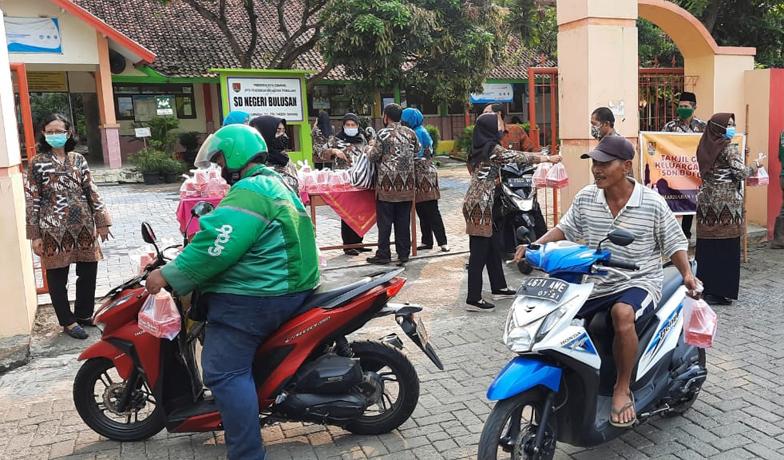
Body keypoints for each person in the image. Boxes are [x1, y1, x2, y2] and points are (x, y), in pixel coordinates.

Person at [145, 124, 319, 460]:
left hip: (261, 294)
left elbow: (217, 247)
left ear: (237, 155)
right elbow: (227, 234)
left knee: (223, 371)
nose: (220, 168)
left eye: (221, 160)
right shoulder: (272, 182)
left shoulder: (250, 190)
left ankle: (246, 453)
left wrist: (167, 274)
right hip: (285, 286)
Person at [515, 135, 699, 428]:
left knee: (622, 314)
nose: (597, 169)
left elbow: (675, 242)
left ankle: (621, 388)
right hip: (596, 282)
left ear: (626, 166)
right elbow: (565, 228)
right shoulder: (587, 197)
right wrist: (535, 246)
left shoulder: (652, 202)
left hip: (639, 280)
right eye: (595, 164)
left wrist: (687, 274)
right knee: (556, 316)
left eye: (604, 163)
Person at [25, 114, 112, 340]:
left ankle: (84, 314)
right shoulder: (37, 163)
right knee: (57, 276)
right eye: (50, 131)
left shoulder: (78, 159)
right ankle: (67, 321)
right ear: (43, 134)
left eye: (59, 131)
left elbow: (91, 190)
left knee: (88, 270)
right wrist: (35, 235)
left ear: (68, 133)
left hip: (82, 224)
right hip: (52, 228)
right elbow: (32, 198)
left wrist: (102, 221)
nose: (55, 135)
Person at [463, 113, 561, 311]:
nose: (502, 127)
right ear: (490, 128)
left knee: (493, 247)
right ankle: (473, 299)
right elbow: (518, 156)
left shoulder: (482, 147)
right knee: (479, 253)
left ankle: (499, 287)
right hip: (480, 206)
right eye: (498, 123)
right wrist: (548, 158)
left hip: (487, 203)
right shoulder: (492, 149)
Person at [695, 113, 762, 305]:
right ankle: (720, 292)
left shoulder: (703, 146)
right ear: (719, 127)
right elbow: (741, 173)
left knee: (707, 247)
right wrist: (756, 165)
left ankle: (705, 289)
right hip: (727, 206)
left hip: (706, 204)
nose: (732, 128)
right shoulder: (728, 148)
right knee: (726, 247)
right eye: (729, 125)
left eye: (733, 124)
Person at [365, 104, 419, 266]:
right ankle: (403, 253)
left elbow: (373, 157)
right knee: (403, 221)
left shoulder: (382, 134)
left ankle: (384, 254)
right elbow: (417, 150)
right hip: (406, 185)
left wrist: (368, 149)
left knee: (385, 223)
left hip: (387, 186)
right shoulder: (411, 133)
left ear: (386, 116)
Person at [319, 113, 371, 255]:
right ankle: (348, 245)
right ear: (343, 126)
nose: (350, 127)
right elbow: (320, 152)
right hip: (344, 181)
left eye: (353, 125)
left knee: (360, 211)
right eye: (348, 125)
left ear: (358, 126)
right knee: (347, 212)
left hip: (360, 180)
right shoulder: (336, 140)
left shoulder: (362, 139)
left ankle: (359, 242)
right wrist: (333, 151)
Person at [401, 108, 449, 253]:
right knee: (422, 210)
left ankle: (443, 242)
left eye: (405, 119)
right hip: (419, 176)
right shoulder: (416, 131)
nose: (403, 122)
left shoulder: (418, 132)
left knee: (432, 210)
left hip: (425, 176)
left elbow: (419, 153)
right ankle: (427, 241)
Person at [662, 92, 706, 242]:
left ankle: (686, 234)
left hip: (695, 172)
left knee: (691, 202)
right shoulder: (670, 127)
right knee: (673, 201)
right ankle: (672, 236)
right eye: (680, 106)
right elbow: (661, 143)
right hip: (675, 172)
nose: (682, 109)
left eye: (686, 107)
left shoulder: (703, 127)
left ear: (694, 107)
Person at [249, 116, 299, 193]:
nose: (283, 135)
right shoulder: (257, 164)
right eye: (278, 131)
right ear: (265, 134)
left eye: (284, 131)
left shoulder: (283, 157)